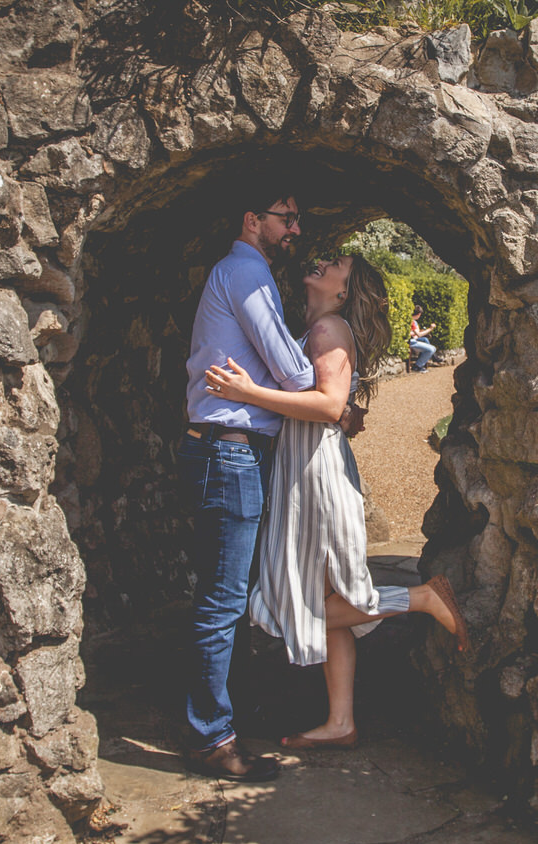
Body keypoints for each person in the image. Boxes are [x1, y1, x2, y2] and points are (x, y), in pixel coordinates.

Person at [204, 254, 470, 750]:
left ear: (342, 292)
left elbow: (326, 404)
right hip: (307, 465)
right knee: (327, 600)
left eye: (336, 265)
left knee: (295, 606)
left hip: (315, 475)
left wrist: (249, 391)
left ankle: (420, 598)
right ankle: (341, 722)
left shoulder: (327, 328)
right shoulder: (320, 327)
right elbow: (335, 405)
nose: (322, 262)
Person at [180, 180, 319, 782]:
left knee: (234, 595)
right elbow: (293, 372)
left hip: (234, 453)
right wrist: (321, 374)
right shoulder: (246, 274)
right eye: (286, 217)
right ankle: (211, 738)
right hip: (229, 453)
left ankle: (223, 718)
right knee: (223, 600)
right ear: (251, 219)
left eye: (296, 219)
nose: (295, 229)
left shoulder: (246, 274)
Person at [408, 302, 437, 372]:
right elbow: (419, 335)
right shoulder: (412, 321)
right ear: (419, 314)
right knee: (432, 349)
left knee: (426, 341)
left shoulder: (409, 320)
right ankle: (417, 366)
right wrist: (430, 328)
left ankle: (420, 364)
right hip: (412, 342)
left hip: (412, 340)